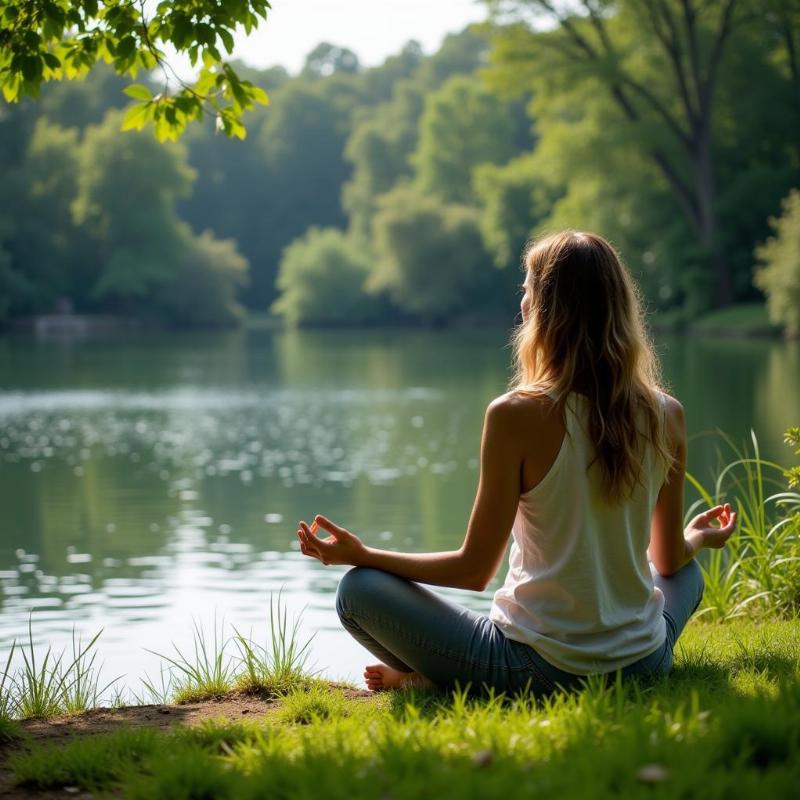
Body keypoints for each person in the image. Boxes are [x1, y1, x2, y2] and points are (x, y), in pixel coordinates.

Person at [296, 230, 737, 695]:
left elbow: (473, 570)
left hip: (537, 668)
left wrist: (362, 556)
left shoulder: (514, 414)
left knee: (358, 591)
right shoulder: (666, 413)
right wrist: (695, 537)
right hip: (644, 661)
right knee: (686, 569)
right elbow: (668, 559)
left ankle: (440, 678)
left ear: (545, 311)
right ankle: (442, 675)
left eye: (527, 289)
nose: (522, 300)